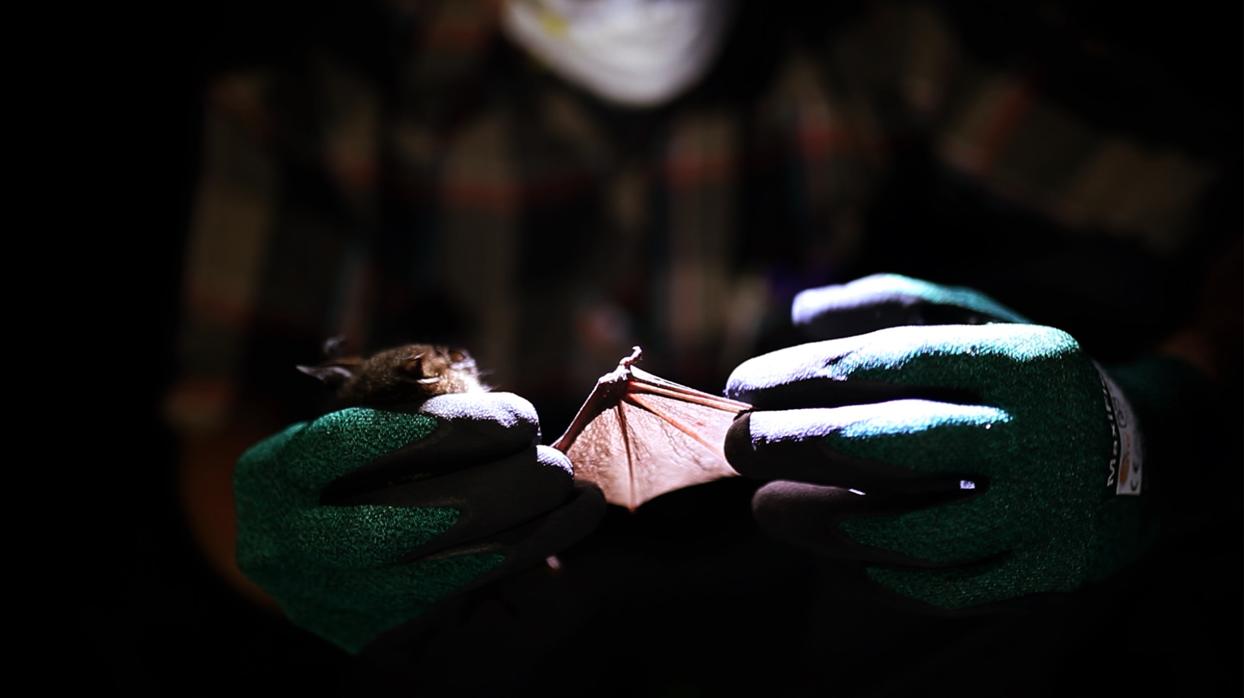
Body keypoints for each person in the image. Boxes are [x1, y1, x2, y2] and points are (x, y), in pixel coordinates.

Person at [156, 1, 1240, 694]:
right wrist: (298, 544)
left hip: (809, 582)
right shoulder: (316, 92)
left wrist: (1153, 422)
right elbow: (220, 414)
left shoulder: (873, 35)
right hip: (509, 608)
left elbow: (1212, 208)